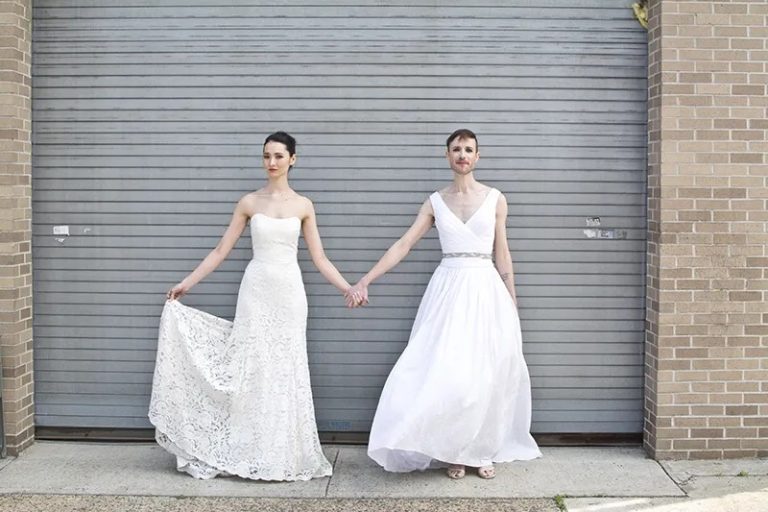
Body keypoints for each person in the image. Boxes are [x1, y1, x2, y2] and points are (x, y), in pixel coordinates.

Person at [149, 131, 363, 481]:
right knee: (251, 368)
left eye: (279, 156)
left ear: (292, 159)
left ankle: (282, 453)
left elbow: (320, 258)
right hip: (256, 292)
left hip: (290, 295)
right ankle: (247, 448)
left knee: (284, 369)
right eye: (266, 156)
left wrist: (348, 288)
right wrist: (186, 283)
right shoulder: (249, 202)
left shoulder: (304, 205)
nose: (272, 162)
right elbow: (221, 251)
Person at [349, 129, 541, 479]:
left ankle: (482, 451)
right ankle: (454, 450)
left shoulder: (496, 199)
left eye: (469, 149)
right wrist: (366, 279)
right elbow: (403, 245)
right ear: (447, 155)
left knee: (487, 371)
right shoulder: (435, 201)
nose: (462, 155)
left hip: (485, 288)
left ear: (477, 156)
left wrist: (511, 300)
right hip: (449, 289)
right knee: (448, 371)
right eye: (456, 149)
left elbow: (503, 252)